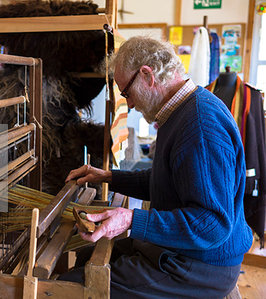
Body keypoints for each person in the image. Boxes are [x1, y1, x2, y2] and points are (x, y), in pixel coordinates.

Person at [62, 36, 253, 298]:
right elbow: (169, 181)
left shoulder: (199, 124)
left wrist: (131, 219)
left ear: (147, 75)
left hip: (199, 266)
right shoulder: (180, 111)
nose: (128, 104)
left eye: (127, 93)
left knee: (68, 288)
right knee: (87, 257)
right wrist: (108, 176)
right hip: (185, 252)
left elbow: (212, 224)